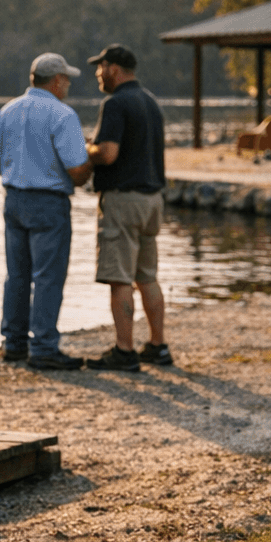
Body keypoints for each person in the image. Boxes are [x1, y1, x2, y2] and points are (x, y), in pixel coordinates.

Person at [0, 52, 93, 371]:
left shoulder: (7, 111)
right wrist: (91, 162)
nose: (69, 85)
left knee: (17, 275)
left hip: (14, 200)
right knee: (48, 276)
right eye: (67, 80)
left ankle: (14, 342)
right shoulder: (62, 115)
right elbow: (76, 169)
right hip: (49, 202)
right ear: (57, 81)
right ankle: (44, 346)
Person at [84, 43, 171, 370]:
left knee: (119, 278)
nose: (97, 74)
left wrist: (86, 150)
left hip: (122, 200)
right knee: (147, 276)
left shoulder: (116, 103)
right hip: (152, 200)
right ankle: (158, 346)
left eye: (100, 67)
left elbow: (108, 153)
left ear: (113, 69)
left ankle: (124, 351)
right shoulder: (150, 102)